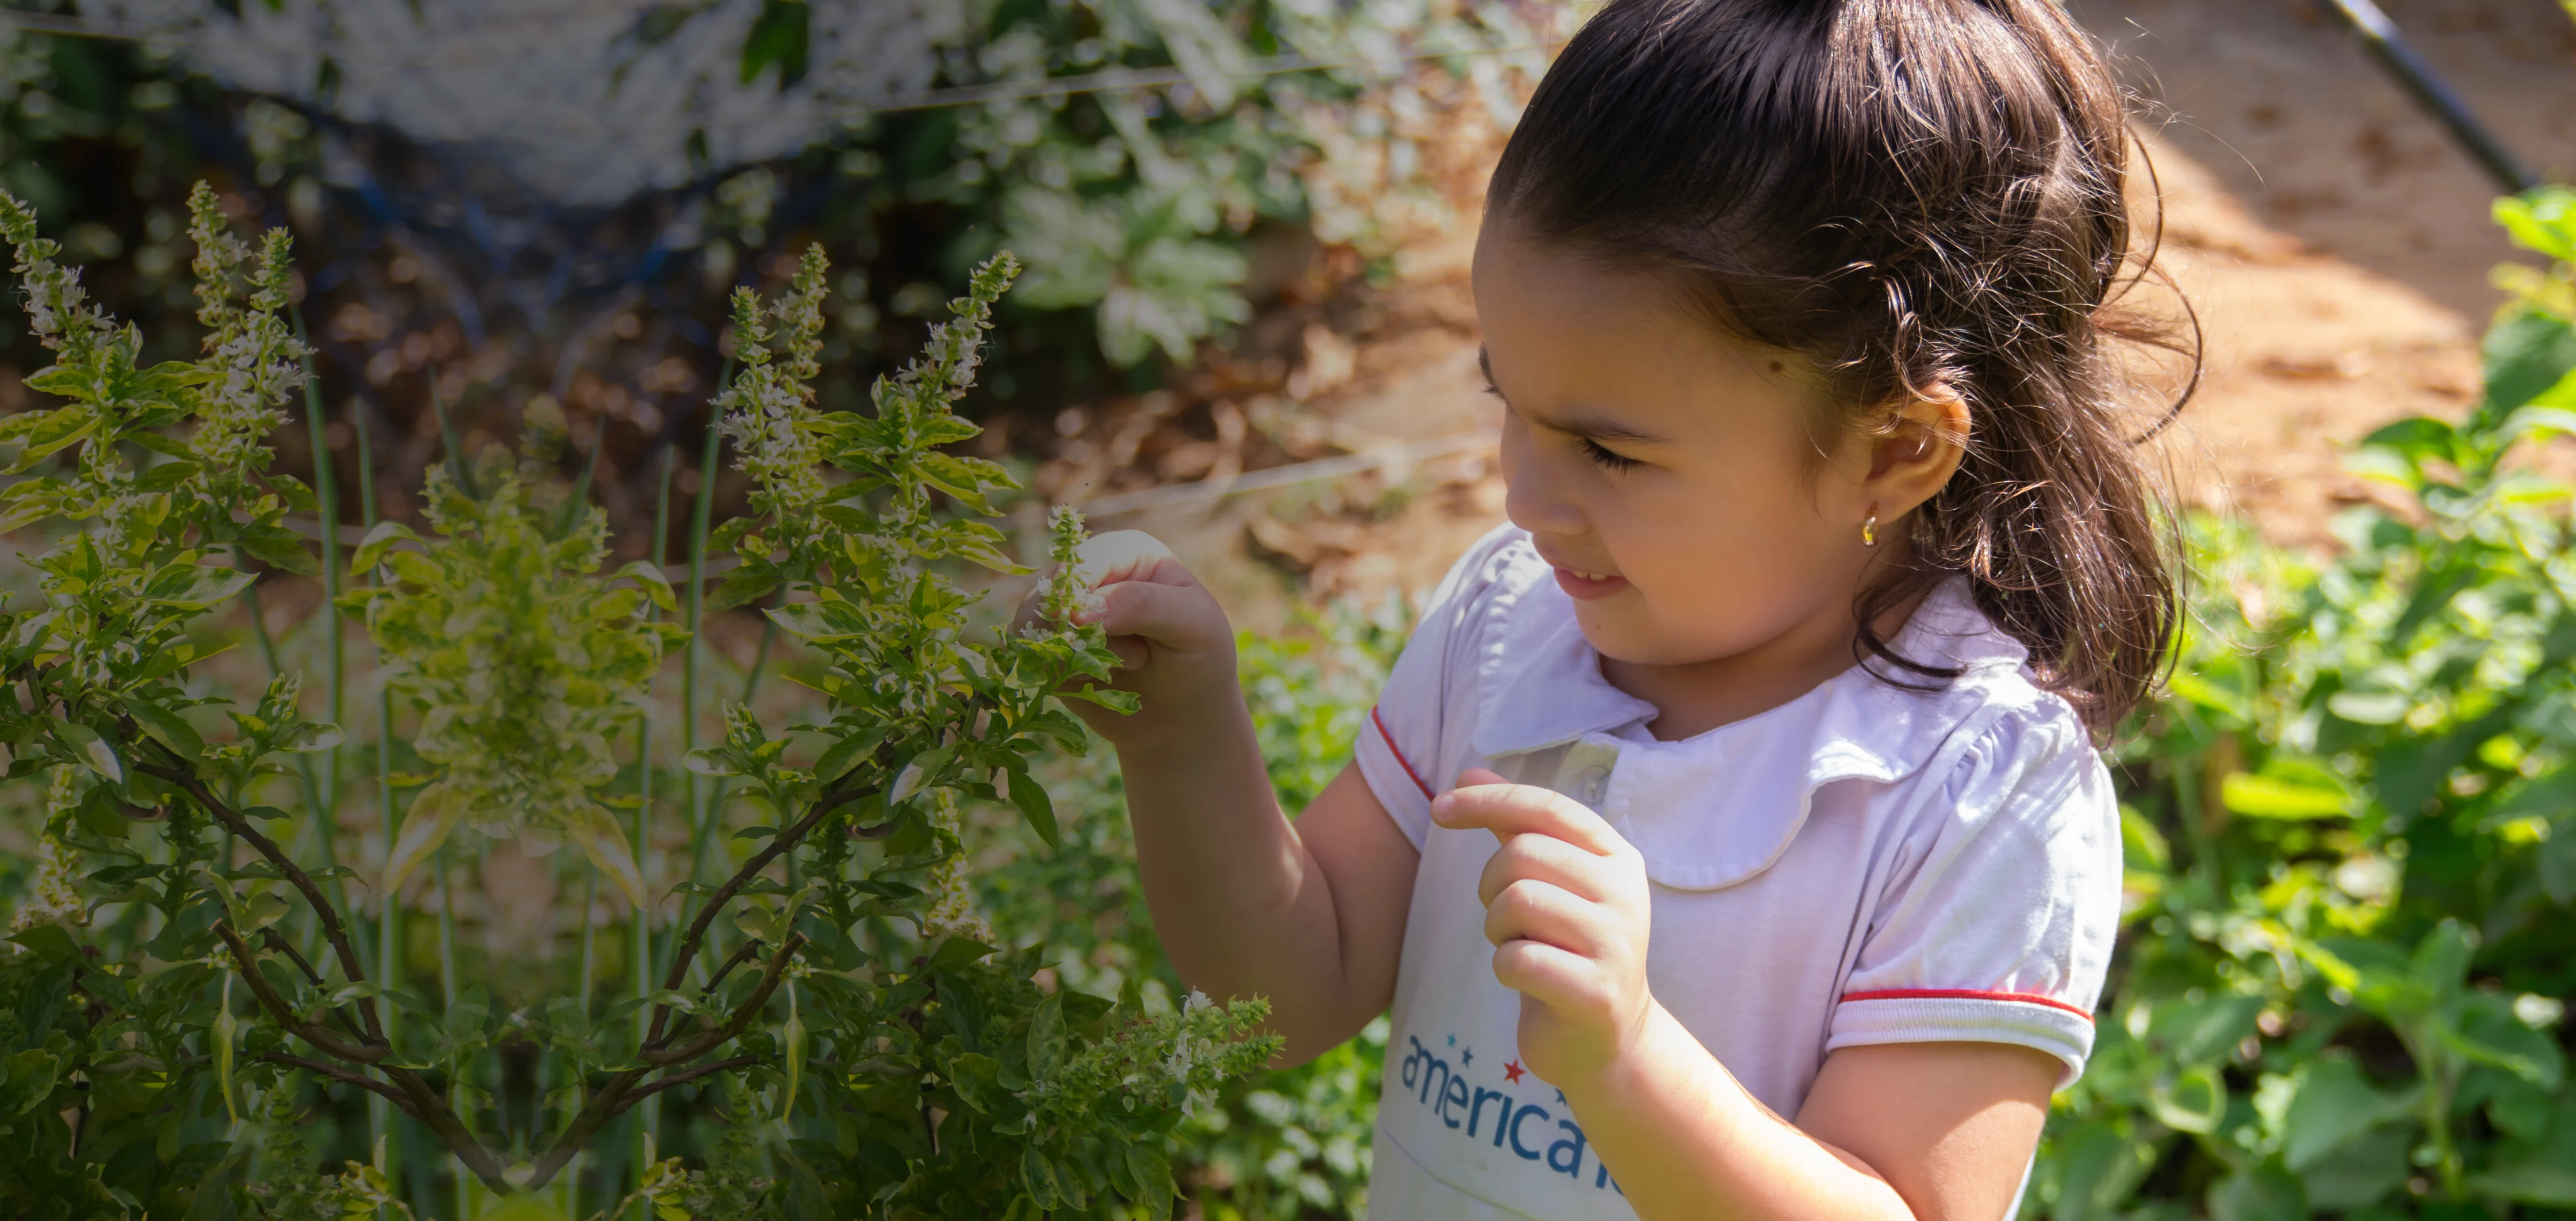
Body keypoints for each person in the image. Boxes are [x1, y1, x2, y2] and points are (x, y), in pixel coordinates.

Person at [1047, 0, 2185, 1215]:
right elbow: (1287, 993)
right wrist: (1181, 739)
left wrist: (1625, 1054)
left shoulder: (1972, 786)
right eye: (1509, 404)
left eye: (1605, 450)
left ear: (1892, 450)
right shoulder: (1507, 623)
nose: (1523, 497)